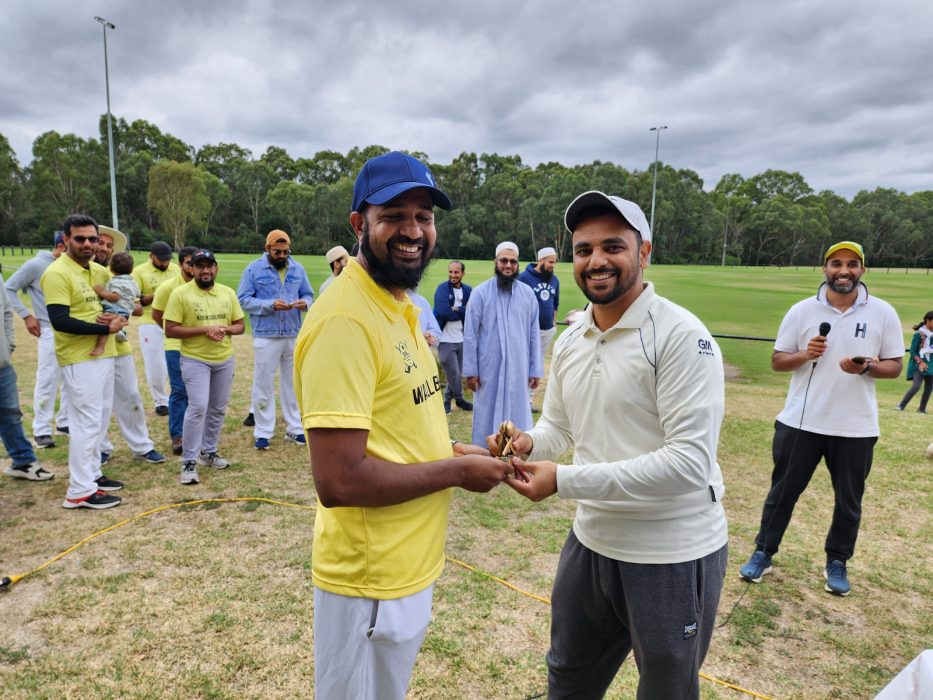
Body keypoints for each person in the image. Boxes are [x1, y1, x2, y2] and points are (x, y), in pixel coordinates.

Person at [294, 150, 509, 700]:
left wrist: (460, 449)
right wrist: (459, 472)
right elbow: (339, 482)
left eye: (424, 216)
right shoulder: (346, 318)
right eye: (393, 214)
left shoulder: (400, 305)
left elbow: (401, 429)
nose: (413, 230)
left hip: (406, 567)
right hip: (370, 579)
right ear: (359, 224)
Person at [496, 191, 729, 699]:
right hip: (592, 543)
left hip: (671, 551)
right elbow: (561, 428)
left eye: (612, 246)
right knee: (568, 677)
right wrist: (526, 443)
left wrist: (564, 480)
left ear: (643, 253)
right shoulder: (572, 339)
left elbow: (689, 464)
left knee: (666, 691)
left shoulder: (680, 336)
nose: (596, 261)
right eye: (583, 250)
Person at [739, 241, 903, 596]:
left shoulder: (883, 312)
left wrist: (867, 367)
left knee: (848, 502)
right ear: (825, 269)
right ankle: (763, 552)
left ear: (862, 270)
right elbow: (777, 360)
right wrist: (805, 354)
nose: (843, 271)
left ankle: (838, 561)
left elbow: (894, 366)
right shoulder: (801, 311)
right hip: (800, 422)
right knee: (781, 494)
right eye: (836, 264)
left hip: (855, 427)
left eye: (851, 264)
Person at [41, 214, 127, 509]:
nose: (89, 244)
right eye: (80, 238)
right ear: (66, 240)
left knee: (99, 420)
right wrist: (105, 328)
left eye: (92, 238)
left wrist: (117, 318)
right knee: (86, 424)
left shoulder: (96, 271)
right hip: (79, 358)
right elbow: (60, 320)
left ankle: (93, 475)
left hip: (104, 355)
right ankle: (79, 491)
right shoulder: (57, 273)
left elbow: (118, 305)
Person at [164, 249, 245, 485]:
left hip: (223, 359)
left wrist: (224, 330)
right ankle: (189, 461)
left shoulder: (227, 293)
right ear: (192, 269)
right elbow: (170, 329)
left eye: (210, 266)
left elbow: (239, 325)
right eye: (200, 266)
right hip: (194, 359)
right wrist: (204, 330)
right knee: (198, 407)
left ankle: (209, 452)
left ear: (216, 268)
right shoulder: (181, 294)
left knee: (218, 408)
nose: (206, 270)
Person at [92, 230, 166, 468]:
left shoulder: (110, 273)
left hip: (119, 345)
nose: (103, 248)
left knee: (131, 395)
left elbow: (135, 308)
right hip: (90, 345)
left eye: (108, 245)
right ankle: (100, 448)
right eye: (99, 242)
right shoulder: (83, 271)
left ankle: (141, 446)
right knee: (99, 402)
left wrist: (128, 308)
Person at [237, 230, 314, 450]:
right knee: (264, 384)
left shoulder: (297, 268)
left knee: (293, 384)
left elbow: (309, 294)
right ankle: (263, 432)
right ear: (267, 248)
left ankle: (295, 428)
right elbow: (243, 299)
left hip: (292, 333)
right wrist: (270, 305)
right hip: (266, 335)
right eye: (277, 251)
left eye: (285, 251)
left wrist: (304, 303)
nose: (281, 255)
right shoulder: (253, 269)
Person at [463, 241, 542, 446]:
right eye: (504, 261)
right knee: (487, 411)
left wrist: (535, 369)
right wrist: (471, 371)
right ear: (495, 262)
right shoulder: (480, 293)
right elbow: (470, 334)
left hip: (519, 366)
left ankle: (518, 449)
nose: (508, 265)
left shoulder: (528, 295)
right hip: (489, 367)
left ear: (518, 264)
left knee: (518, 411)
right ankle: (485, 453)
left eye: (513, 262)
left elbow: (534, 335)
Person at [4, 231, 70, 448]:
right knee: (47, 380)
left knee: (71, 379)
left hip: (73, 331)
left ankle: (64, 421)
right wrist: (26, 315)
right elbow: (9, 288)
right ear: (62, 245)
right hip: (49, 330)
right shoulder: (36, 265)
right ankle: (41, 429)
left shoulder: (72, 266)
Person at [0, 272, 54, 481]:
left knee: (10, 413)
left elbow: (5, 312)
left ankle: (23, 462)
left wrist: (8, 346)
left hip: (2, 363)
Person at [152, 246, 199, 455]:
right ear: (180, 265)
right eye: (190, 263)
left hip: (202, 346)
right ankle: (178, 435)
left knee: (199, 393)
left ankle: (198, 433)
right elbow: (157, 315)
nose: (194, 267)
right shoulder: (167, 288)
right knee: (179, 390)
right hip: (176, 346)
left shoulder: (208, 286)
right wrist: (174, 332)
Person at [132, 241, 180, 415]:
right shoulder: (139, 272)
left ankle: (180, 395)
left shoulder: (175, 269)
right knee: (155, 363)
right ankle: (161, 401)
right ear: (151, 256)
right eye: (161, 260)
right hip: (150, 320)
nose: (165, 263)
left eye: (167, 259)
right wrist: (158, 294)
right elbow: (133, 300)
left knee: (178, 361)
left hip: (174, 319)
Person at [433, 260, 473, 414]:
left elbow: (472, 312)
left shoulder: (468, 290)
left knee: (455, 373)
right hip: (445, 339)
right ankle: (460, 399)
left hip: (462, 338)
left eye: (456, 272)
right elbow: (442, 311)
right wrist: (462, 310)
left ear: (462, 273)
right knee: (454, 372)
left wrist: (456, 309)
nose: (453, 275)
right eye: (450, 272)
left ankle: (447, 401)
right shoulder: (442, 289)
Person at [91, 252, 138, 354]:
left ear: (111, 268)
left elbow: (115, 297)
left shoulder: (115, 282)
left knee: (105, 327)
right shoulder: (133, 282)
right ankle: (120, 332)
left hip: (114, 309)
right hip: (126, 311)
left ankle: (100, 347)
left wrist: (101, 291)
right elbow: (137, 294)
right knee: (116, 324)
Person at [895, 311, 933, 413]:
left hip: (931, 365)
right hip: (918, 365)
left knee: (929, 388)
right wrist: (920, 362)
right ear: (928, 321)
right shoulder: (918, 334)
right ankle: (901, 405)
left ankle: (922, 409)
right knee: (916, 386)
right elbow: (912, 351)